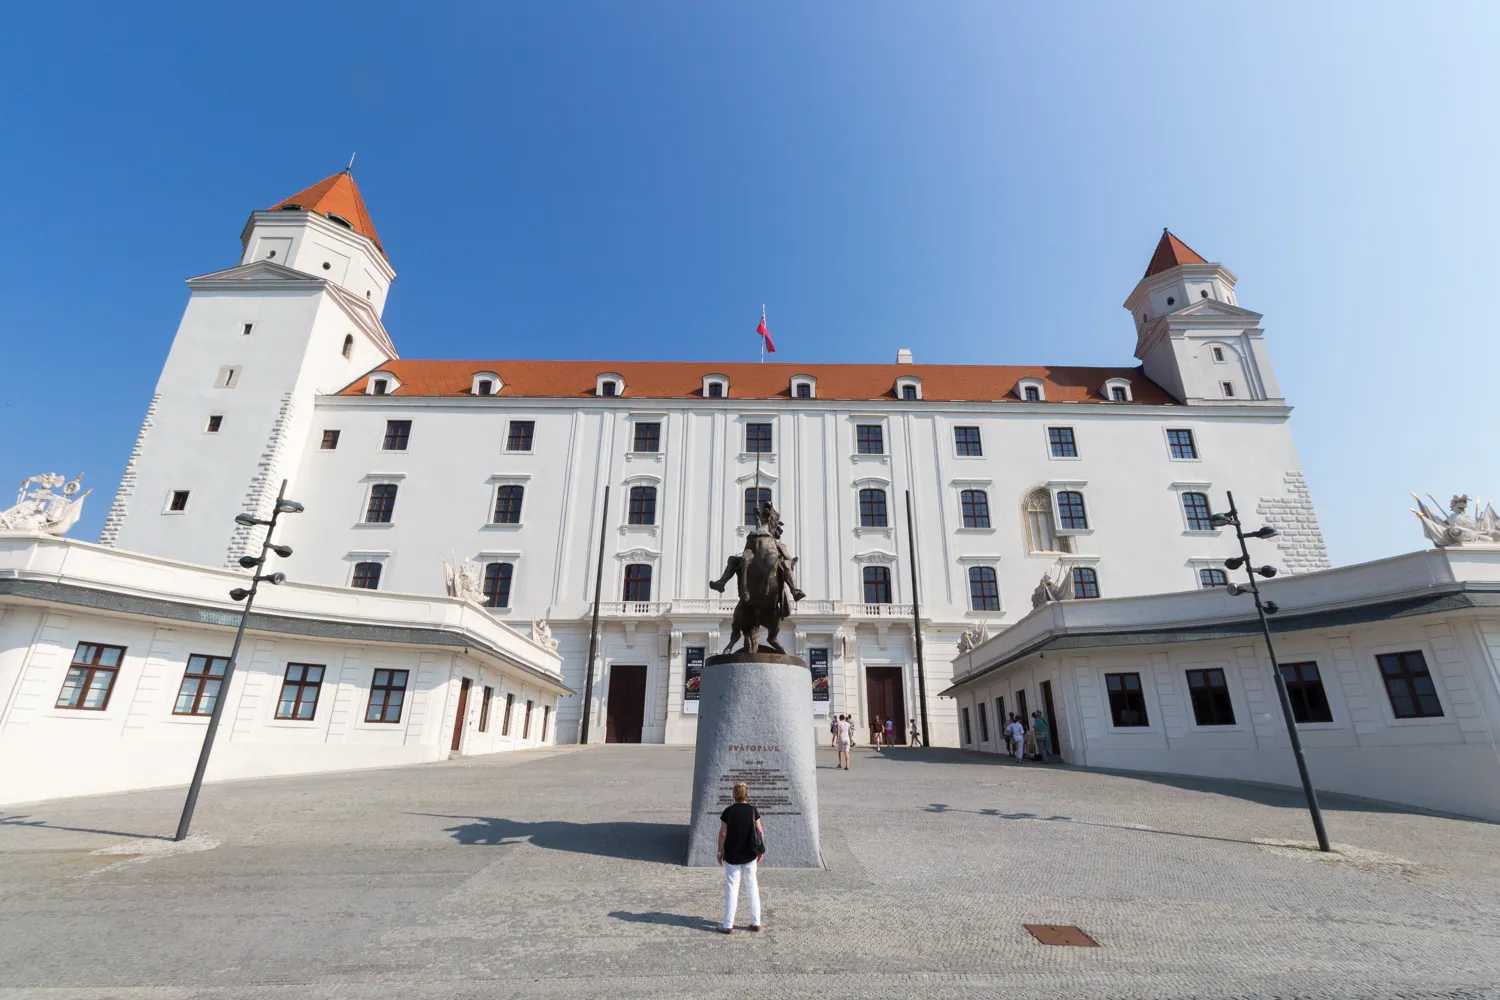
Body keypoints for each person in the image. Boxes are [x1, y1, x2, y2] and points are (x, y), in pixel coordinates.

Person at [717, 781, 765, 934]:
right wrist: (760, 851)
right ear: (747, 794)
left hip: (732, 855)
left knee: (732, 888)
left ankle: (728, 924)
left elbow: (723, 833)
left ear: (734, 795)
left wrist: (719, 851)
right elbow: (760, 833)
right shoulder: (753, 811)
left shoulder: (728, 812)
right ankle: (756, 922)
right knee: (752, 887)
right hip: (750, 854)